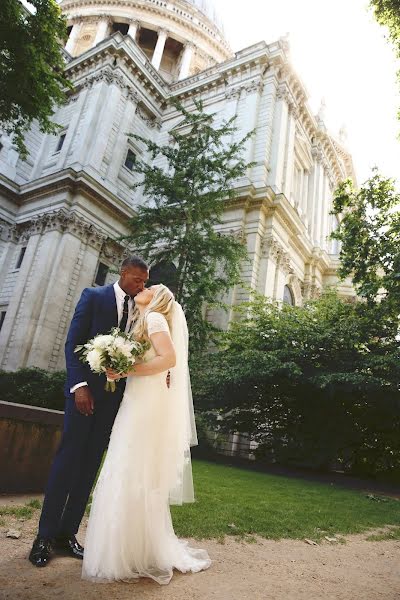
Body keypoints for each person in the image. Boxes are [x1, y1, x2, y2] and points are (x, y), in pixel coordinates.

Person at [82, 284, 211, 584]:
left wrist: (127, 370)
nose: (144, 287)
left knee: (129, 464)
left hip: (144, 402)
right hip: (140, 398)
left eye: (150, 287)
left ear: (157, 298)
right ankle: (133, 548)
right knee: (131, 465)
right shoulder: (145, 320)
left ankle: (126, 552)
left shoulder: (154, 319)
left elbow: (169, 358)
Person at [29, 256, 150, 567]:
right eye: (138, 279)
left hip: (112, 403)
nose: (142, 285)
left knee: (90, 466)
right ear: (124, 273)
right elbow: (73, 343)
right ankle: (43, 536)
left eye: (145, 282)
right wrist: (79, 386)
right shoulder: (93, 296)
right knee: (68, 462)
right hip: (82, 396)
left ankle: (66, 535)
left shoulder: (139, 310)